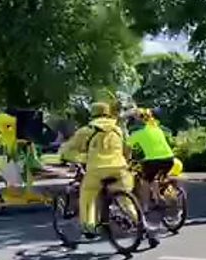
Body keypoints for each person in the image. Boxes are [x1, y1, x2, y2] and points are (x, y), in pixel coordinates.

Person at [60, 102, 146, 243]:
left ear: (93, 113)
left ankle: (90, 227)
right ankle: (139, 222)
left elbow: (68, 151)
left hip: (96, 169)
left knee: (88, 194)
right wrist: (125, 160)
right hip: (119, 168)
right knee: (125, 200)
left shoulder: (87, 130)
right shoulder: (118, 130)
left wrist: (80, 158)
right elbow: (127, 148)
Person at [126, 108, 175, 216]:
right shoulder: (157, 129)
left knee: (145, 181)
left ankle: (145, 207)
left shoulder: (138, 134)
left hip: (153, 160)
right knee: (154, 178)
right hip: (169, 159)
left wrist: (127, 160)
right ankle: (159, 197)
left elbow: (127, 148)